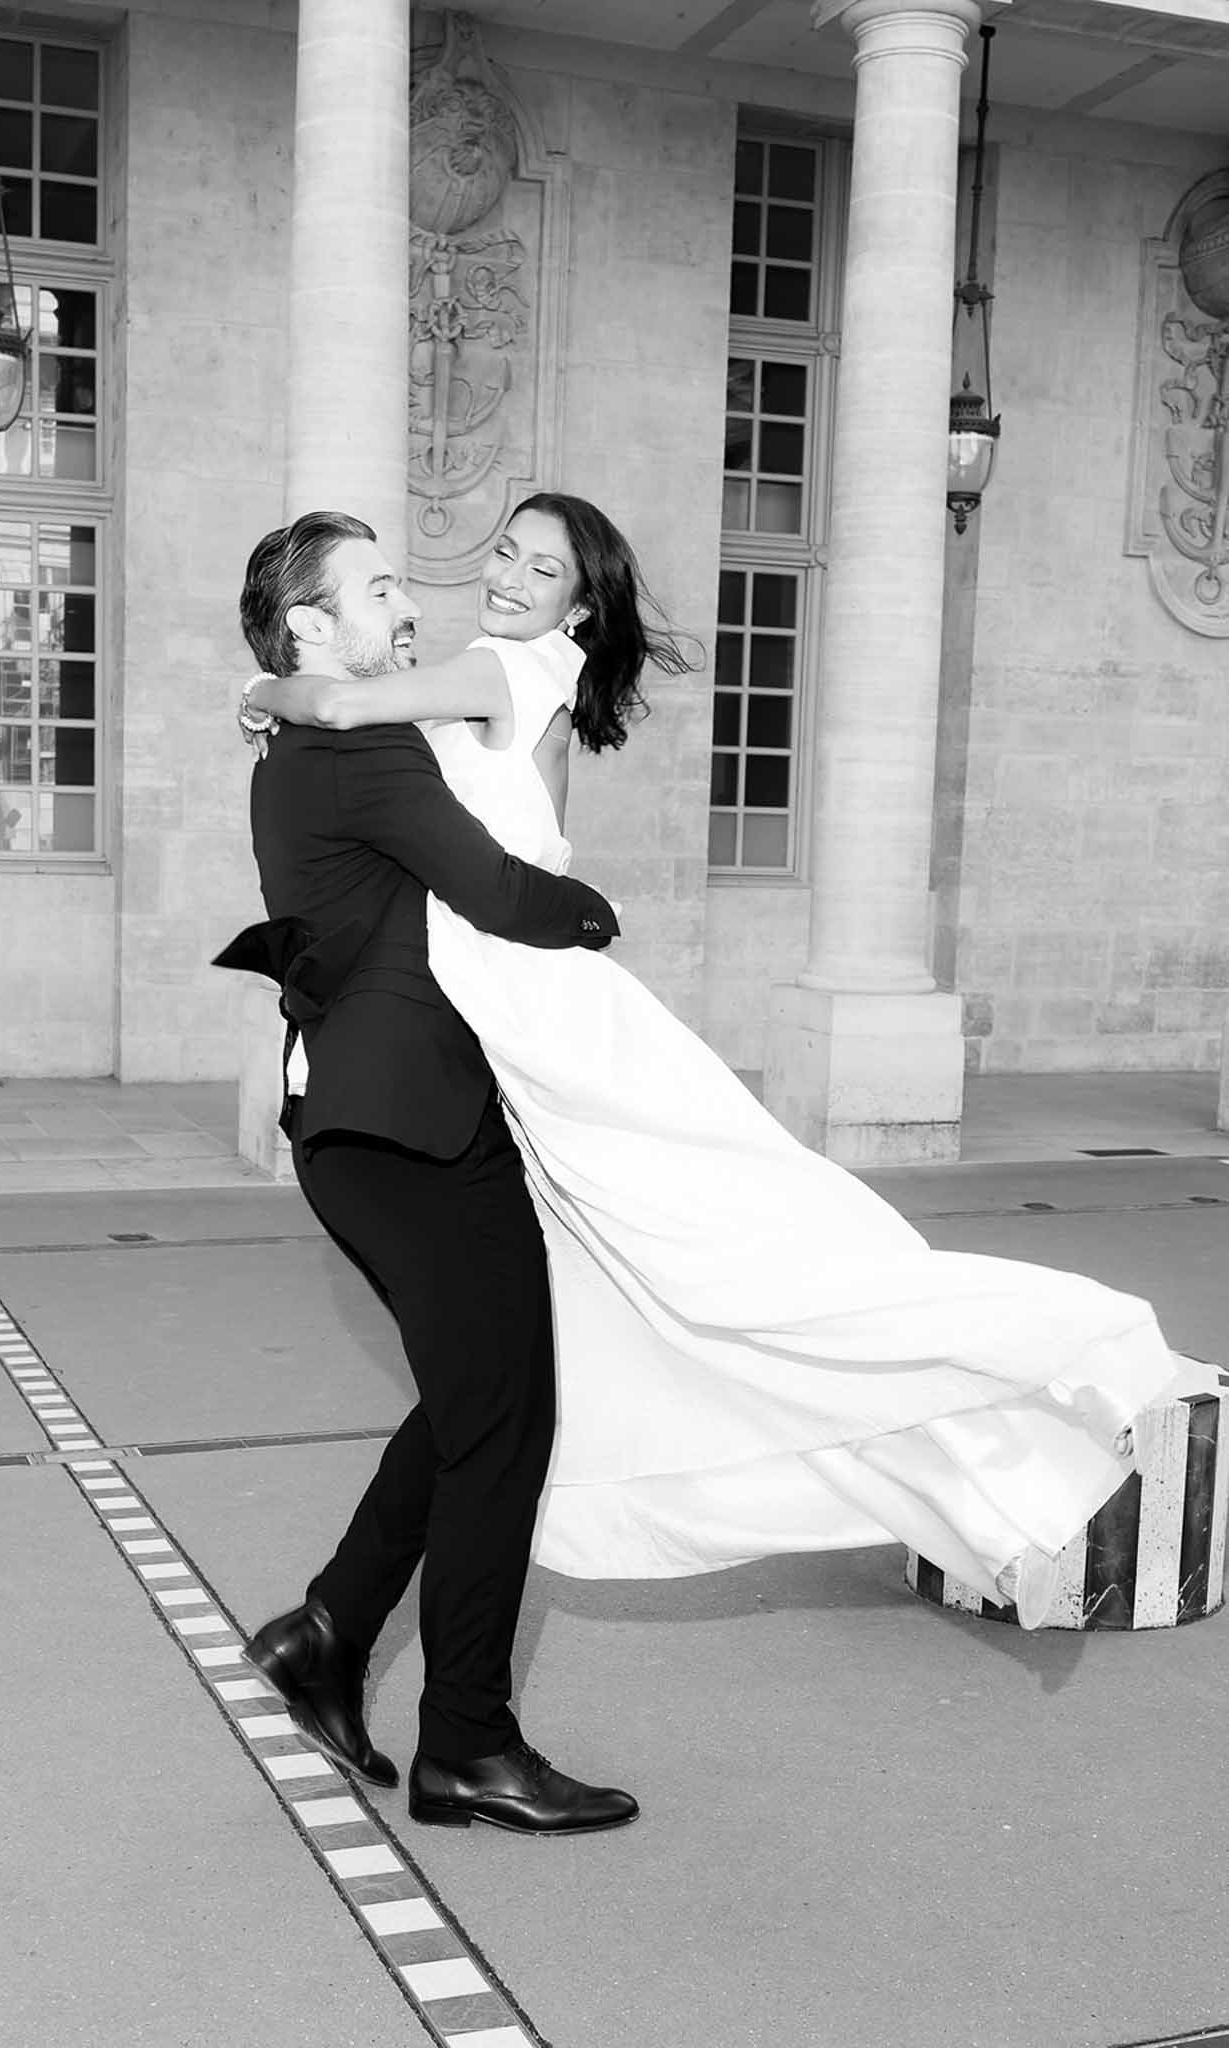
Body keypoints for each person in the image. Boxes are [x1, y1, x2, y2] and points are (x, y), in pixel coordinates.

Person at [241, 491, 1192, 1636]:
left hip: (542, 1016)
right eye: (503, 551)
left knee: (705, 1259)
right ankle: (350, 1643)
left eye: (541, 569)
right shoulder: (463, 694)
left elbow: (354, 720)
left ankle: (1031, 1348)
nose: (502, 576)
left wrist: (259, 690)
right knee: (575, 1330)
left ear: (577, 606)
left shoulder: (501, 671)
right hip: (497, 1038)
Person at [217, 509, 638, 1837]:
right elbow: (503, 894)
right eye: (378, 589)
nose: (409, 606)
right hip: (404, 1131)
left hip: (393, 1121)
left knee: (482, 1401)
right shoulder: (357, 742)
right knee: (501, 1420)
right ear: (309, 628)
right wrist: (592, 918)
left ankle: (331, 1631)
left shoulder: (309, 739)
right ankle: (463, 1740)